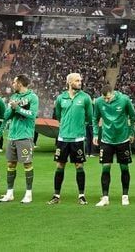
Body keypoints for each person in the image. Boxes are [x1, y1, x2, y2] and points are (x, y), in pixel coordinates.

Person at [50, 72, 94, 205]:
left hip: (78, 138)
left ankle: (81, 195)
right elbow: (58, 115)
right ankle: (56, 195)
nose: (80, 82)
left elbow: (89, 116)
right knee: (59, 165)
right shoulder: (60, 98)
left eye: (80, 80)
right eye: (77, 81)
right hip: (63, 138)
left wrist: (79, 127)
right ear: (69, 82)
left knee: (79, 165)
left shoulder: (85, 98)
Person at [94, 82, 135, 207]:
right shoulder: (99, 102)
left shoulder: (124, 100)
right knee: (105, 168)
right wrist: (96, 134)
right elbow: (94, 118)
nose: (106, 100)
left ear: (113, 94)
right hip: (106, 140)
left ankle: (125, 196)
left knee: (124, 168)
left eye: (108, 98)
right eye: (104, 98)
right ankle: (105, 197)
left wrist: (131, 133)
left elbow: (133, 117)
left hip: (122, 140)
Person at [0, 74, 38, 203]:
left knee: (27, 164)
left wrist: (18, 108)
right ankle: (10, 193)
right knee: (10, 164)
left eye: (14, 82)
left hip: (25, 136)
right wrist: (11, 108)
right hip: (12, 136)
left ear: (20, 83)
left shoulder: (32, 97)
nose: (13, 84)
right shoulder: (14, 97)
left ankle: (28, 194)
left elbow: (32, 115)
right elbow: (6, 116)